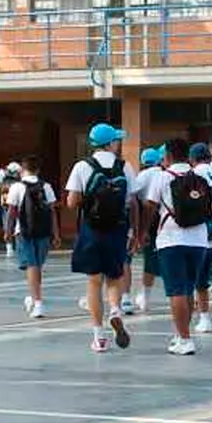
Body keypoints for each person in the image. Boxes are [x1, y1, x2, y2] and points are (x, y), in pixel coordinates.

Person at [66, 123, 136, 354]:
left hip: (91, 228)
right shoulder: (125, 167)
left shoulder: (82, 166)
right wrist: (134, 231)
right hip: (117, 228)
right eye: (117, 140)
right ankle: (115, 309)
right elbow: (132, 202)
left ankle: (99, 336)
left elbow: (71, 202)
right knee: (114, 277)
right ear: (110, 143)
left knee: (94, 282)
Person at [145, 138, 211, 356]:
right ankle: (182, 333)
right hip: (199, 239)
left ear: (168, 156)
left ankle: (184, 338)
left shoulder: (162, 177)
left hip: (171, 239)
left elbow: (151, 207)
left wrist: (142, 232)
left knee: (176, 291)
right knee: (189, 288)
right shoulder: (201, 177)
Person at [5, 156, 59, 319]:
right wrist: (56, 234)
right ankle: (34, 297)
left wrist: (7, 231)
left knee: (31, 266)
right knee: (37, 266)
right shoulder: (46, 186)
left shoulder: (17, 187)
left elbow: (11, 212)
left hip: (24, 231)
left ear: (23, 169)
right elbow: (52, 212)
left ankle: (38, 302)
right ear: (38, 169)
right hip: (43, 231)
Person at [191, 141, 212, 334]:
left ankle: (205, 318)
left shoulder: (192, 176)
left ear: (192, 159)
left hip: (200, 233)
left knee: (200, 281)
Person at [133, 147, 164, 312]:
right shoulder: (165, 173)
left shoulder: (143, 176)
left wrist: (139, 230)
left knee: (150, 260)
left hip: (150, 221)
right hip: (167, 219)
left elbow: (135, 198)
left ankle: (145, 297)